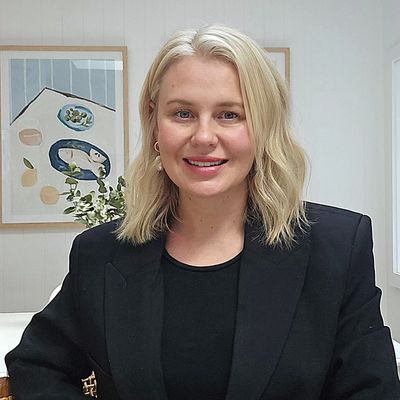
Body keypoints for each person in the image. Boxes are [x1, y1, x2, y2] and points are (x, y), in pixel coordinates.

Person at [5, 25, 400, 400]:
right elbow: (35, 365)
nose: (204, 137)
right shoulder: (100, 253)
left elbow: (372, 390)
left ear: (263, 128)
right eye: (183, 113)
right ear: (154, 123)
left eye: (230, 114)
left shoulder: (337, 249)